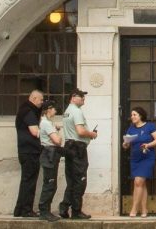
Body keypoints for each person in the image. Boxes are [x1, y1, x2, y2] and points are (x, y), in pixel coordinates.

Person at [58, 87, 98, 219]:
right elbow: (80, 131)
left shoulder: (67, 112)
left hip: (69, 146)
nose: (83, 99)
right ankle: (76, 211)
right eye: (81, 96)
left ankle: (64, 208)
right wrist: (91, 134)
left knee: (71, 180)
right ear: (73, 97)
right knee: (80, 180)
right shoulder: (76, 111)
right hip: (77, 148)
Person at [122, 106, 156, 217]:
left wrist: (148, 144)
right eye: (131, 115)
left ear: (141, 116)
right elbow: (126, 144)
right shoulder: (131, 128)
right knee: (141, 184)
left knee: (138, 182)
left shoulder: (150, 126)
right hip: (135, 159)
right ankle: (144, 210)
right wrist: (125, 144)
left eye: (134, 115)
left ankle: (134, 209)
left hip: (147, 158)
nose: (132, 117)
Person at [13, 89, 45, 218]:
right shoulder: (29, 111)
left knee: (26, 181)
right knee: (29, 182)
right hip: (30, 152)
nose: (42, 102)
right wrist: (49, 131)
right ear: (34, 98)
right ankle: (26, 210)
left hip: (26, 151)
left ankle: (19, 210)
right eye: (41, 100)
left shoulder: (24, 110)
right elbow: (34, 131)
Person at [37, 99, 64, 222]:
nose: (55, 110)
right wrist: (58, 136)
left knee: (51, 184)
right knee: (49, 183)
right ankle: (44, 211)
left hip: (51, 154)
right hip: (49, 154)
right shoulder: (46, 123)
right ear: (48, 109)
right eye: (54, 108)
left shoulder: (48, 122)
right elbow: (57, 141)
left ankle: (46, 210)